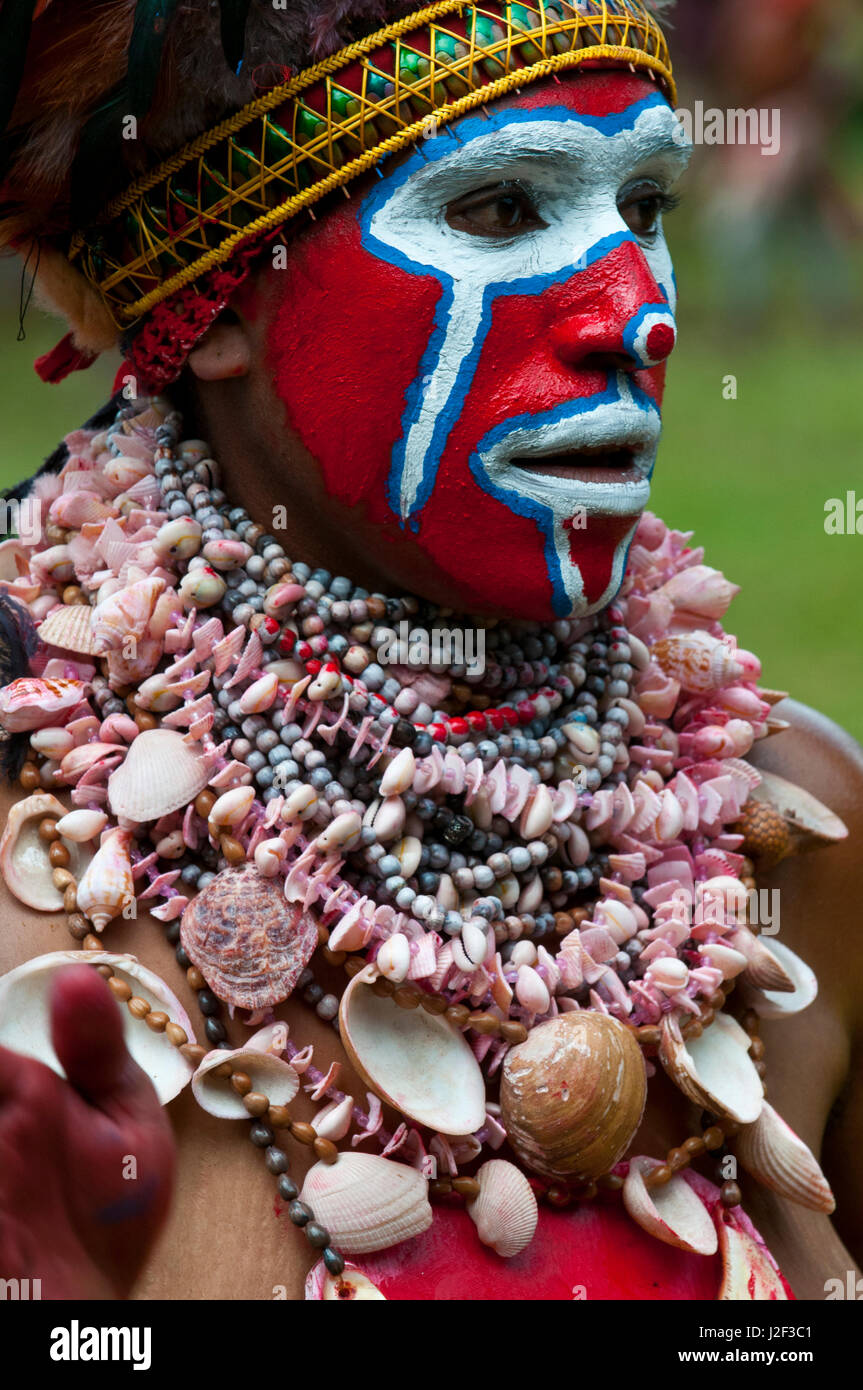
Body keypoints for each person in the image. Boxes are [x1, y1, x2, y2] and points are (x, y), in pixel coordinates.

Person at [0, 0, 861, 1302]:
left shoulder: (794, 837)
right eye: (503, 209)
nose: (638, 316)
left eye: (643, 205)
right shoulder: (39, 886)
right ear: (210, 307)